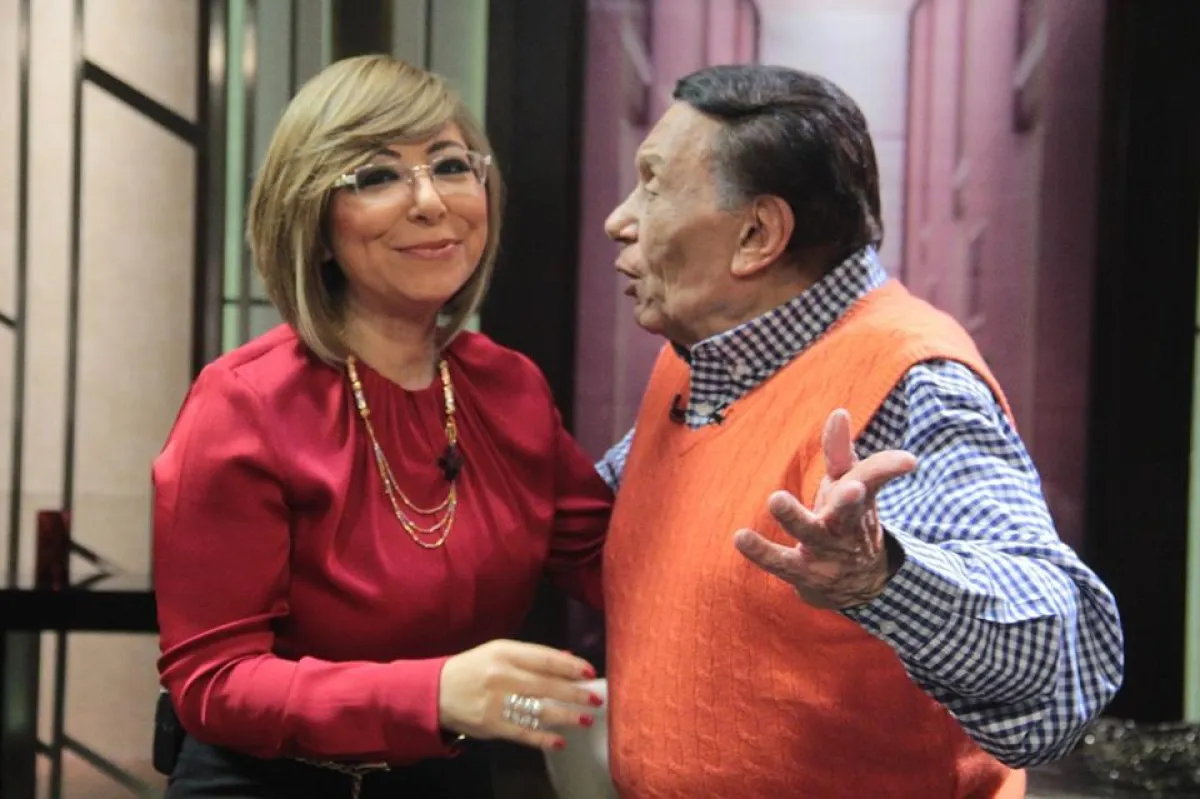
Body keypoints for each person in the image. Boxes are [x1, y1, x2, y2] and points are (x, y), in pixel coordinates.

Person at [596, 65, 1124, 798]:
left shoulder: (909, 379)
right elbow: (610, 518)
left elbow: (1065, 659)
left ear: (757, 234)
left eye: (652, 187)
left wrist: (882, 577)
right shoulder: (707, 359)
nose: (619, 220)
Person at [152, 54, 611, 799]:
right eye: (376, 176)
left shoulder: (509, 388)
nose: (430, 201)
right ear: (314, 224)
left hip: (449, 779)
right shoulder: (243, 402)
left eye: (451, 166)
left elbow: (614, 562)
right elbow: (214, 682)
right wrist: (431, 694)